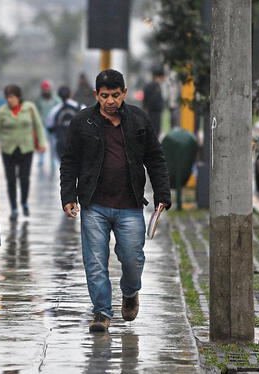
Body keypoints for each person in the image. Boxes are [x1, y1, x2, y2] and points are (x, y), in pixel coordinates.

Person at [59, 69, 171, 332]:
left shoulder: (139, 120)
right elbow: (70, 161)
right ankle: (101, 313)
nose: (110, 101)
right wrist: (68, 195)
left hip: (130, 205)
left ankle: (130, 292)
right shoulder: (82, 122)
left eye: (116, 95)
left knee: (133, 259)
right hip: (93, 204)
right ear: (96, 95)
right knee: (95, 260)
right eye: (105, 95)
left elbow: (155, 159)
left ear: (125, 94)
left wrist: (162, 195)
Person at [0, 84, 47, 219]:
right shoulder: (2, 111)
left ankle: (24, 202)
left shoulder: (30, 108)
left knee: (24, 177)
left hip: (26, 148)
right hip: (8, 149)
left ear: (19, 97)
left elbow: (38, 125)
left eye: (12, 97)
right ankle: (14, 207)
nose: (9, 100)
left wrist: (42, 143)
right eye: (7, 97)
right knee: (11, 179)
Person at [45, 85, 83, 161]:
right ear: (70, 94)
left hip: (62, 145)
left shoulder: (55, 110)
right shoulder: (80, 107)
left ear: (59, 96)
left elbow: (49, 127)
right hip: (79, 144)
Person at [34, 80, 60, 168]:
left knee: (53, 143)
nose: (46, 90)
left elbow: (59, 108)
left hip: (53, 125)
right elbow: (36, 111)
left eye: (47, 88)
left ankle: (53, 160)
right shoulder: (39, 100)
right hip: (42, 124)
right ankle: (41, 159)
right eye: (44, 88)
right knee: (42, 142)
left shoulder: (55, 99)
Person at [142, 67, 165, 137]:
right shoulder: (154, 86)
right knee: (154, 133)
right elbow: (153, 101)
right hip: (154, 113)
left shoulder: (150, 86)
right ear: (160, 76)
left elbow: (145, 101)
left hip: (151, 113)